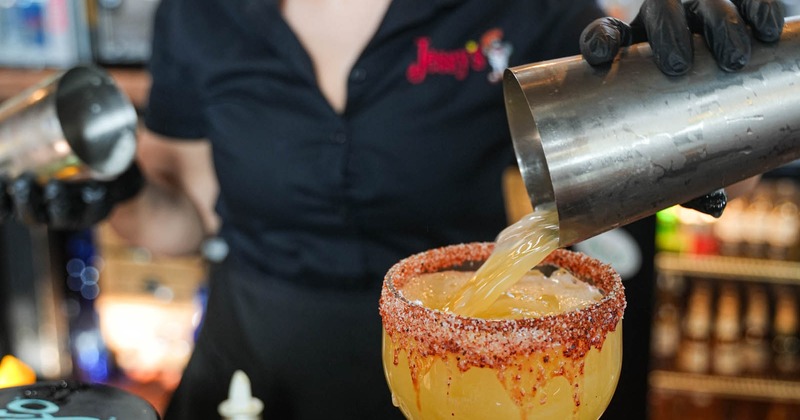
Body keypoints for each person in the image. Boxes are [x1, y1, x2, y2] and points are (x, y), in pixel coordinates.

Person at [0, 0, 784, 418]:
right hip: (258, 358)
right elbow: (186, 214)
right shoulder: (200, 14)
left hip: (459, 366)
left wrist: (712, 87)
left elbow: (677, 155)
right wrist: (119, 193)